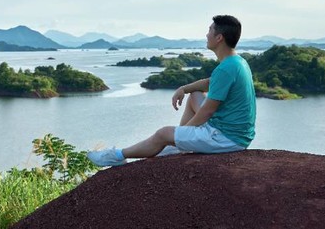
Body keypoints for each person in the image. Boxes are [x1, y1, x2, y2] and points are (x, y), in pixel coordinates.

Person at [87, 15, 256, 167]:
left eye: (210, 30)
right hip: (235, 133)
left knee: (163, 134)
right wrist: (184, 89)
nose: (206, 35)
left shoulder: (226, 69)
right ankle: (181, 144)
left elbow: (207, 112)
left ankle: (116, 156)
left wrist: (180, 135)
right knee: (195, 95)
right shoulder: (237, 62)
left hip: (226, 138)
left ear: (219, 38)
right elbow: (209, 83)